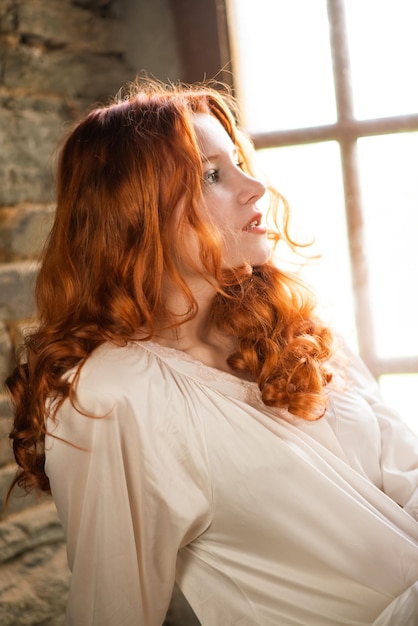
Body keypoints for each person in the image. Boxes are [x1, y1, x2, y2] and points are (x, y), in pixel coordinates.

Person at [5, 78, 418, 626]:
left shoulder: (294, 325)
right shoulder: (111, 396)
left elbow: (408, 470)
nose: (255, 187)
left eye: (241, 163)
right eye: (212, 174)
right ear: (136, 211)